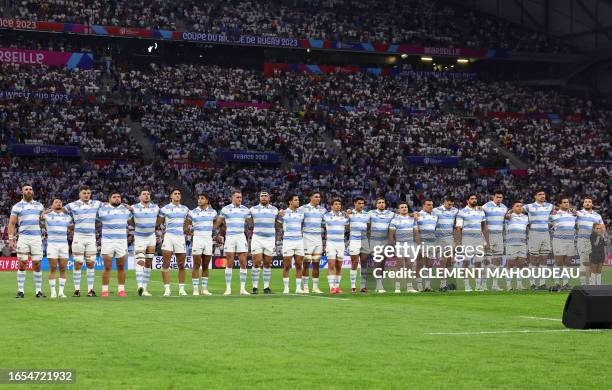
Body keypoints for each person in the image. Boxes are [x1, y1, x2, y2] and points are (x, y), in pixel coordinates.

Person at [64, 185, 102, 297]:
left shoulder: (96, 204)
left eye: (88, 193)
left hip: (91, 238)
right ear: (79, 194)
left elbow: (109, 205)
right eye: (84, 193)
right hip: (78, 238)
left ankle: (90, 290)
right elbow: (60, 210)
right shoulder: (72, 205)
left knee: (91, 264)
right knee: (78, 263)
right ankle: (77, 290)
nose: (86, 195)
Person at [8, 184, 45, 298]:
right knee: (22, 264)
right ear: (22, 192)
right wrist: (11, 239)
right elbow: (12, 223)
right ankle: (20, 291)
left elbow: (43, 221)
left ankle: (38, 291)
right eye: (26, 189)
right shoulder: (17, 206)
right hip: (23, 238)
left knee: (37, 264)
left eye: (30, 189)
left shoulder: (39, 206)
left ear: (32, 192)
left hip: (36, 238)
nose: (29, 191)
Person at [97, 191, 132, 297]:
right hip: (107, 241)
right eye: (114, 197)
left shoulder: (126, 210)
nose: (117, 198)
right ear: (109, 199)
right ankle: (104, 290)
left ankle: (121, 290)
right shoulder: (102, 210)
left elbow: (133, 219)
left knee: (121, 266)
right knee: (107, 266)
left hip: (121, 242)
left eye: (119, 197)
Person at [217, 190, 251, 295]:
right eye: (237, 197)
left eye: (240, 197)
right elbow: (218, 222)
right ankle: (228, 289)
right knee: (229, 262)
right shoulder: (225, 209)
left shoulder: (245, 210)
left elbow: (250, 224)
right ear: (232, 197)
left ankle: (242, 289)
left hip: (241, 236)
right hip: (230, 237)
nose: (239, 199)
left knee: (243, 262)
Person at [158, 189, 190, 296]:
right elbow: (159, 222)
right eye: (175, 194)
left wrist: (184, 229)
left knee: (181, 265)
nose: (177, 195)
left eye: (179, 194)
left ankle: (181, 289)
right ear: (171, 196)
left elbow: (188, 221)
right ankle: (167, 289)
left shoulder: (185, 209)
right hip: (169, 237)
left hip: (180, 237)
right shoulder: (165, 208)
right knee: (166, 263)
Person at [185, 193, 217, 295]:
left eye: (202, 198)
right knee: (196, 265)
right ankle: (195, 289)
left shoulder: (213, 212)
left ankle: (204, 289)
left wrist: (212, 230)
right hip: (198, 239)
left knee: (206, 265)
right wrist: (191, 232)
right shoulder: (192, 212)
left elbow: (216, 222)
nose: (199, 200)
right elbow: (186, 225)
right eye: (199, 198)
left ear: (207, 201)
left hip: (208, 239)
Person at [455, 194, 489, 292]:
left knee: (478, 263)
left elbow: (484, 227)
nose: (474, 200)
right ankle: (466, 285)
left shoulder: (481, 212)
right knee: (466, 262)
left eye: (475, 199)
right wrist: (458, 242)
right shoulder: (462, 212)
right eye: (472, 199)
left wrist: (487, 241)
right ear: (467, 201)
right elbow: (458, 228)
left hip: (479, 240)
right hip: (467, 240)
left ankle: (478, 285)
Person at [248, 191, 278, 294]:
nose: (264, 197)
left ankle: (266, 287)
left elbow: (279, 223)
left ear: (269, 198)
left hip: (270, 239)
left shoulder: (275, 210)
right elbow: (247, 220)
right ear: (259, 198)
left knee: (267, 263)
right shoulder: (253, 209)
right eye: (262, 196)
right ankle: (255, 287)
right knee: (256, 262)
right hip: (257, 238)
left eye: (266, 196)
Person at [131, 187, 159, 296]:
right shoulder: (134, 207)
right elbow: (129, 219)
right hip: (139, 238)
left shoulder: (155, 208)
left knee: (148, 262)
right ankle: (140, 286)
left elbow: (160, 219)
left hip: (151, 238)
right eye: (144, 194)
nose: (146, 195)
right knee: (140, 261)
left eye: (148, 194)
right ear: (140, 197)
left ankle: (145, 289)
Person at [523, 189, 554, 290]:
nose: (542, 196)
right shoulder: (529, 206)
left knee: (544, 259)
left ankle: (542, 283)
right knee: (533, 259)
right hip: (534, 234)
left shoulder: (549, 206)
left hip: (546, 233)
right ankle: (532, 283)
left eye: (543, 194)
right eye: (540, 194)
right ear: (535, 196)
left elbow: (558, 210)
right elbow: (516, 210)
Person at [43, 198, 73, 298]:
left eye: (60, 202)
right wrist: (50, 210)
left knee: (63, 269)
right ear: (52, 204)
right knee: (53, 269)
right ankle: (53, 292)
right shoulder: (47, 215)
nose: (59, 203)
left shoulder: (67, 217)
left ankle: (61, 292)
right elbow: (40, 216)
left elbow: (71, 227)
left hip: (64, 245)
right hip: (52, 245)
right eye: (56, 202)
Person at [388, 202, 420, 293]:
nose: (404, 208)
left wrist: (418, 245)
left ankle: (409, 287)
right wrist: (391, 246)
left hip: (410, 244)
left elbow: (416, 233)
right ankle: (397, 288)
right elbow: (391, 234)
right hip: (400, 244)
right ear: (398, 210)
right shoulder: (394, 220)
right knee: (400, 266)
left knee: (410, 266)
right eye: (402, 207)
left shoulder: (412, 219)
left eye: (405, 207)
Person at [299, 192, 326, 294]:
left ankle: (315, 287)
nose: (318, 199)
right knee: (306, 263)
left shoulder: (323, 210)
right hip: (307, 238)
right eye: (316, 197)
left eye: (319, 197)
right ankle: (305, 287)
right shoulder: (303, 208)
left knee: (316, 263)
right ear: (311, 198)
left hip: (318, 238)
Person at [278, 194, 305, 294]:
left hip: (299, 241)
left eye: (298, 200)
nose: (298, 201)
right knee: (287, 266)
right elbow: (278, 225)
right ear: (290, 202)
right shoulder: (284, 213)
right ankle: (286, 288)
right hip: (288, 242)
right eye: (295, 200)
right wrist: (280, 216)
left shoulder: (301, 213)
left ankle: (298, 288)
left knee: (299, 265)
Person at [549, 197, 577, 291]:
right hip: (559, 240)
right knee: (559, 262)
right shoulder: (555, 214)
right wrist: (552, 226)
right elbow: (547, 222)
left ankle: (565, 284)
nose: (566, 204)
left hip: (570, 240)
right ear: (560, 204)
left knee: (568, 263)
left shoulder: (573, 214)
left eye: (567, 202)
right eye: (564, 202)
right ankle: (556, 283)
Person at [482, 190, 508, 291]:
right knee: (486, 261)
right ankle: (483, 285)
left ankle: (495, 285)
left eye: (501, 197)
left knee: (497, 260)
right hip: (489, 235)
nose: (499, 199)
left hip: (499, 236)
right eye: (497, 197)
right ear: (493, 197)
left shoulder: (504, 207)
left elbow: (506, 217)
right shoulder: (486, 206)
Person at [576, 197, 604, 285]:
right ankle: (583, 284)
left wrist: (600, 238)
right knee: (584, 262)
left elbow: (603, 228)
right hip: (583, 240)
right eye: (586, 202)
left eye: (589, 202)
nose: (587, 203)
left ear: (592, 204)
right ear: (583, 204)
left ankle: (592, 284)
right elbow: (571, 214)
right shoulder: (579, 213)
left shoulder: (597, 216)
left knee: (593, 263)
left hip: (594, 241)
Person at [368, 197, 395, 293]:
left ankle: (380, 284)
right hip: (374, 241)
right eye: (379, 202)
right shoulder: (371, 213)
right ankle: (378, 285)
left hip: (385, 241)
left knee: (383, 263)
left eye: (383, 202)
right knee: (377, 262)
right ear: (376, 205)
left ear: (385, 204)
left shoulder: (391, 214)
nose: (381, 204)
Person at [433, 196, 458, 292]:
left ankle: (447, 283)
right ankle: (442, 284)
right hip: (439, 239)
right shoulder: (436, 210)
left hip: (450, 239)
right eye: (449, 204)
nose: (450, 206)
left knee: (450, 262)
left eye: (452, 204)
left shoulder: (455, 210)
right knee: (443, 260)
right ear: (445, 201)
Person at [324, 198, 348, 294]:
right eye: (336, 204)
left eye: (339, 204)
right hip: (331, 243)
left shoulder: (344, 217)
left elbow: (347, 227)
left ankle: (337, 287)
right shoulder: (326, 216)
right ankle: (331, 287)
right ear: (332, 206)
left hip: (341, 243)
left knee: (339, 266)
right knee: (331, 265)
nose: (338, 206)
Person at [347, 197, 370, 293]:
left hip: (364, 240)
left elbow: (368, 226)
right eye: (359, 203)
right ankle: (353, 286)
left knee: (364, 262)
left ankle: (363, 286)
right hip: (354, 240)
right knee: (355, 262)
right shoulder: (349, 214)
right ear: (355, 203)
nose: (361, 205)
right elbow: (347, 226)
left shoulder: (367, 214)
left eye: (363, 203)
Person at [504, 201, 529, 290]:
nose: (519, 207)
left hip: (522, 243)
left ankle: (519, 285)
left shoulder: (526, 217)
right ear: (513, 207)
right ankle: (508, 285)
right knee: (510, 265)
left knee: (521, 265)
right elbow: (505, 215)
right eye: (517, 206)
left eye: (521, 206)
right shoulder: (508, 216)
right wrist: (510, 211)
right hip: (511, 243)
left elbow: (528, 228)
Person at [417, 199, 438, 292]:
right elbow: (415, 230)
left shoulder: (435, 216)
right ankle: (419, 286)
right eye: (428, 205)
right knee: (420, 264)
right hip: (422, 242)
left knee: (430, 264)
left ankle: (428, 286)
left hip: (432, 243)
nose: (431, 206)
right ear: (423, 206)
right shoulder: (418, 215)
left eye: (432, 205)